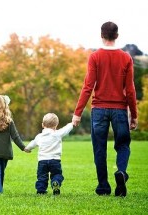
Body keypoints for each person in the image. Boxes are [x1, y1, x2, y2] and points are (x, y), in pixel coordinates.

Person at [72, 21, 138, 197]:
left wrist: (77, 113)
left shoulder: (95, 57)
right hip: (120, 110)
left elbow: (88, 86)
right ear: (117, 36)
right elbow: (130, 89)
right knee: (123, 145)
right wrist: (134, 115)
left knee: (99, 148)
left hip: (99, 110)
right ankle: (121, 172)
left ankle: (103, 187)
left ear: (101, 35)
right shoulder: (126, 58)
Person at [24, 113, 73, 195]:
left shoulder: (39, 136)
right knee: (57, 174)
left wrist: (27, 149)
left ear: (43, 125)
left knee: (42, 177)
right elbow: (66, 129)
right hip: (55, 160)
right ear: (56, 125)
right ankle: (56, 182)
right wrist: (71, 123)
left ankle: (41, 191)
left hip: (42, 161)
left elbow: (32, 144)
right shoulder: (57, 134)